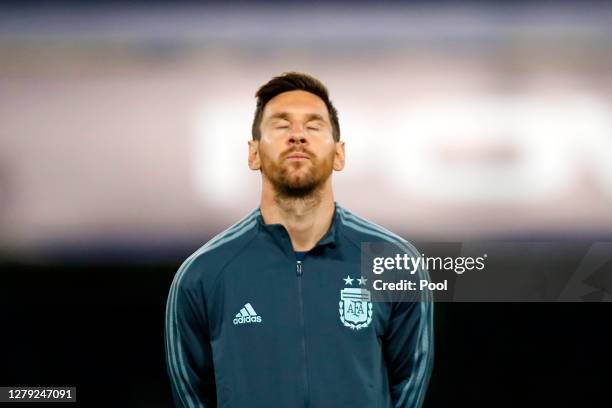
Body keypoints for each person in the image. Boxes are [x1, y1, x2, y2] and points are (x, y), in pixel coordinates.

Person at [165, 72, 433, 408]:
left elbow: (409, 386)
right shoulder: (202, 275)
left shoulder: (392, 263)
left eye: (313, 125)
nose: (297, 136)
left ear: (339, 154)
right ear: (253, 154)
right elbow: (191, 396)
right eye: (281, 125)